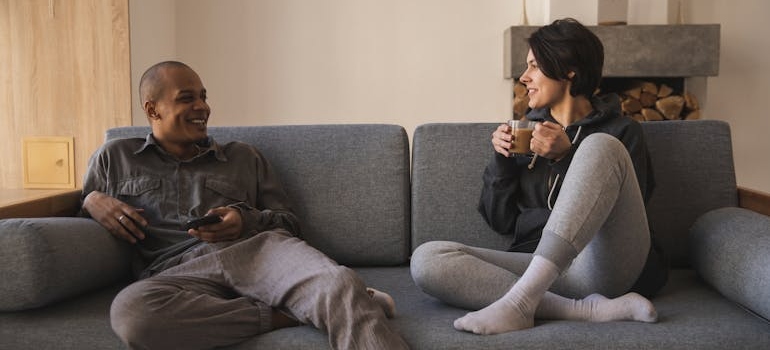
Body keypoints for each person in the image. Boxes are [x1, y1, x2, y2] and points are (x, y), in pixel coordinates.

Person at [80, 61, 409, 349]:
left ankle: (334, 300)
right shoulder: (115, 157)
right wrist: (92, 201)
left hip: (260, 252)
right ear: (153, 110)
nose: (203, 107)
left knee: (337, 283)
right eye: (187, 98)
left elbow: (290, 223)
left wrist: (246, 219)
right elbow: (78, 217)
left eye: (204, 97)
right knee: (132, 313)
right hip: (178, 273)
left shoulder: (242, 156)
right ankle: (287, 314)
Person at [410, 18, 668, 335]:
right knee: (428, 259)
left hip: (603, 264)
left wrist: (567, 156)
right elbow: (500, 221)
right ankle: (581, 310)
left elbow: (626, 215)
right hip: (540, 269)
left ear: (569, 69)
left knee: (601, 146)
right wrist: (501, 161)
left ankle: (520, 303)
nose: (524, 77)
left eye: (534, 66)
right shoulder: (523, 131)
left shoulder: (621, 131)